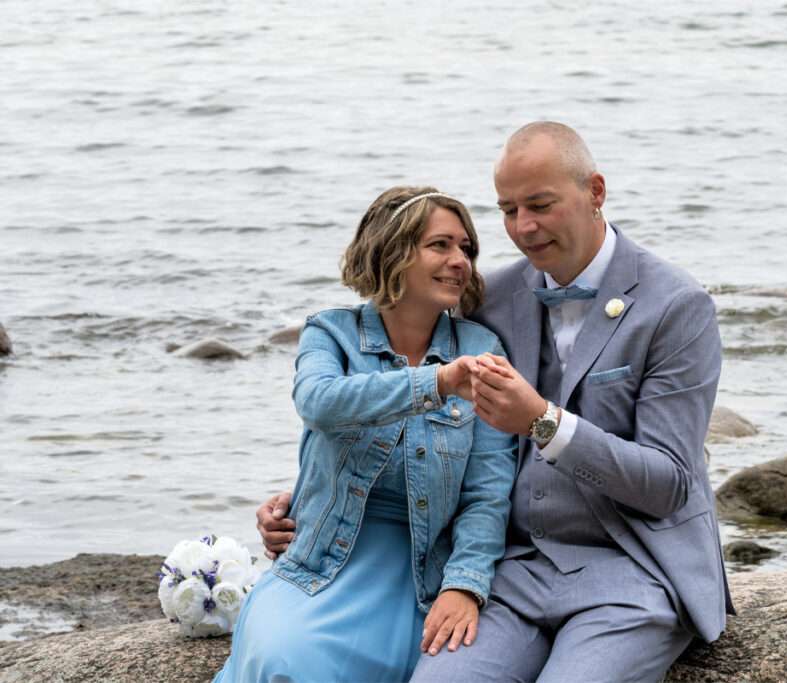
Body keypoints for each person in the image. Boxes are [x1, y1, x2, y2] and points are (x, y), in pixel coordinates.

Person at [260, 122, 733, 682]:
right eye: (508, 210)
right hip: (512, 573)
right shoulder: (493, 301)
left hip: (634, 572)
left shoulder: (677, 305)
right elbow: (438, 434)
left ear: (595, 192)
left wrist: (544, 423)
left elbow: (669, 483)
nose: (523, 228)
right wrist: (319, 489)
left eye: (540, 205)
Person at [216, 186, 517, 683]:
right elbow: (320, 402)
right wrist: (436, 382)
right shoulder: (329, 334)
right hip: (321, 564)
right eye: (440, 245)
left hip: (421, 574)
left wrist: (464, 585)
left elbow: (487, 493)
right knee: (283, 658)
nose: (460, 260)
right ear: (393, 251)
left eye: (467, 248)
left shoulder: (482, 348)